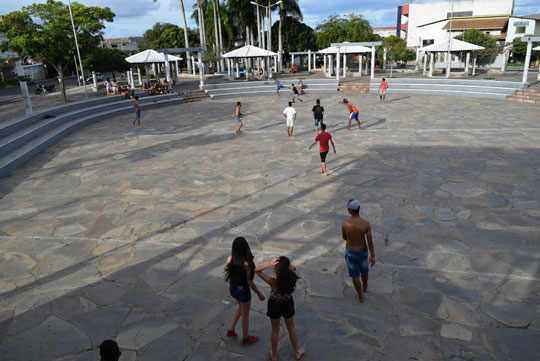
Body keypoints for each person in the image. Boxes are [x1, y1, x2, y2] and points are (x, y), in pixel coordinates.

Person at [255, 257, 305, 361]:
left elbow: (257, 270)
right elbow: (293, 268)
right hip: (287, 304)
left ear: (277, 269)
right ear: (288, 268)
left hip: (275, 305)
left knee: (275, 330)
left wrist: (270, 264)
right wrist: (289, 267)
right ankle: (297, 353)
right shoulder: (292, 277)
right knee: (291, 328)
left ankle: (274, 356)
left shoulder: (273, 282)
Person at [224, 237, 265, 345]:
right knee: (245, 315)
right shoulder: (247, 265)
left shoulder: (229, 259)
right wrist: (259, 294)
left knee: (240, 307)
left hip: (233, 289)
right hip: (243, 291)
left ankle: (231, 330)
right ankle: (246, 338)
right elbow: (250, 282)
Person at [341, 199, 376, 303]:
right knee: (364, 270)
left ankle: (360, 295)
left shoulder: (345, 223)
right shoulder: (366, 224)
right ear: (359, 208)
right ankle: (365, 286)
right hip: (363, 251)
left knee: (355, 275)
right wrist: (373, 256)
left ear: (349, 210)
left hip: (350, 251)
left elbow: (344, 237)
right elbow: (370, 241)